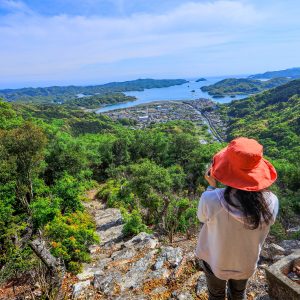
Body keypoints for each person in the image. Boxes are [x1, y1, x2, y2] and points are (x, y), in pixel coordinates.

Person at [195, 137, 279, 300]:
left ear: (226, 169)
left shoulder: (211, 199)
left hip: (215, 260)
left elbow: (202, 217)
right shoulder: (271, 202)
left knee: (216, 295)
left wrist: (211, 186)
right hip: (246, 263)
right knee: (239, 295)